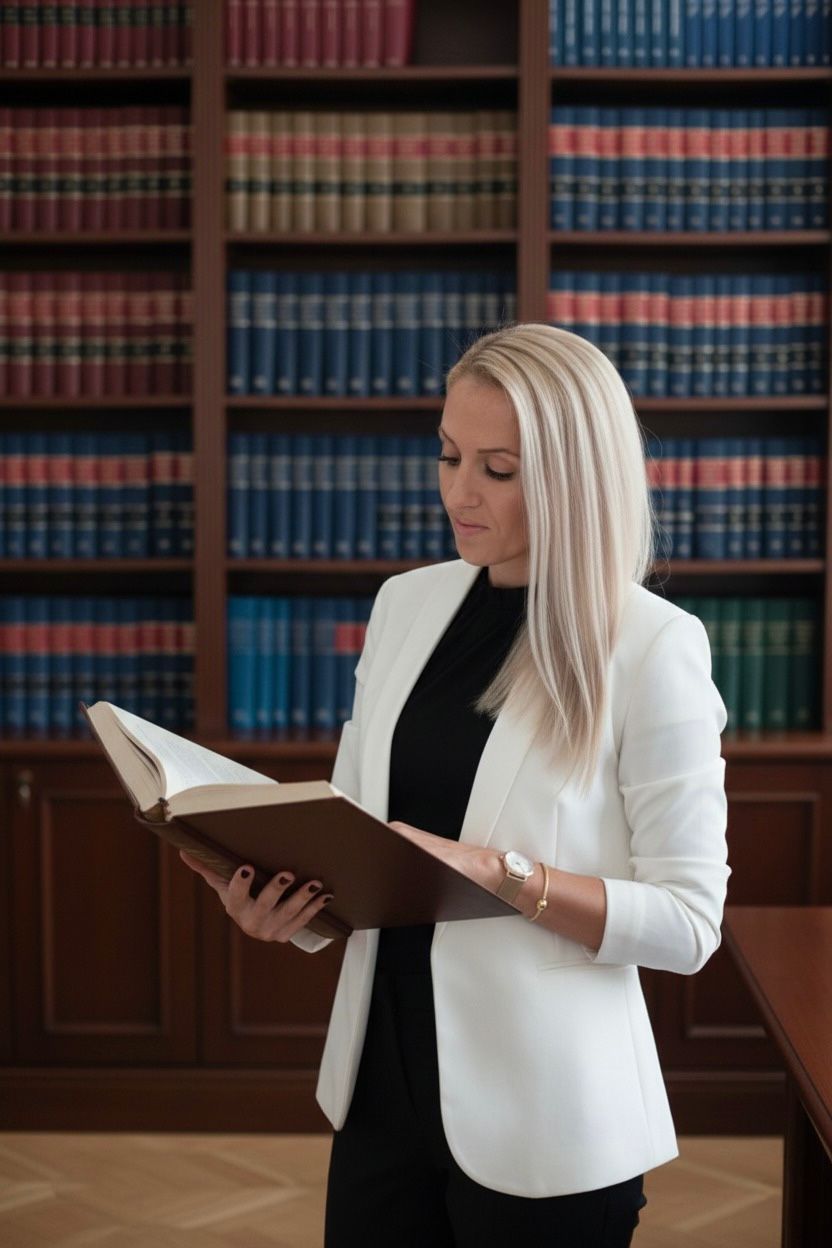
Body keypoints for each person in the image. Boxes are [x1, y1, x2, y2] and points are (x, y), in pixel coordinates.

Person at [181, 322, 730, 1247]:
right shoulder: (406, 603)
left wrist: (505, 874)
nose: (457, 493)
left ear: (572, 478)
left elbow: (689, 924)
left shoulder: (653, 645)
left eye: (498, 469)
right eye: (448, 456)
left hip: (548, 1119)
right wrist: (287, 902)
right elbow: (363, 841)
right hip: (381, 1086)